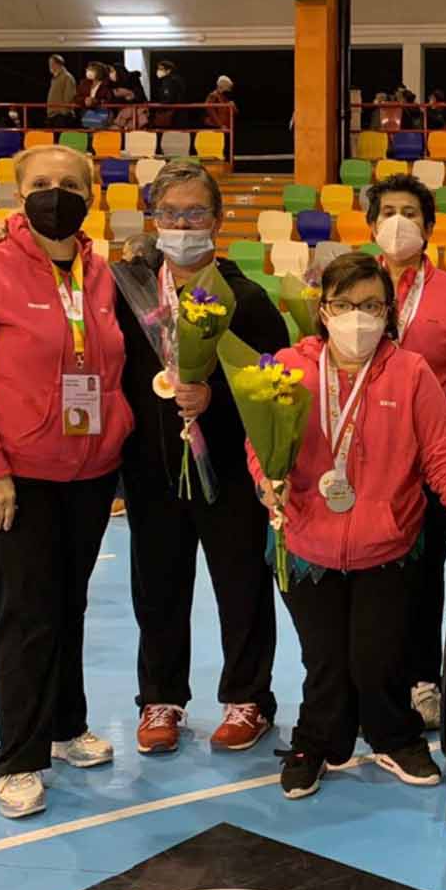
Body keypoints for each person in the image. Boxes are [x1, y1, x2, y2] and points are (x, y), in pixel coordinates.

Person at [0, 144, 134, 819]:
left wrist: (118, 431)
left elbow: (106, 367)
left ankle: (66, 724)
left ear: (92, 194)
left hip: (88, 473)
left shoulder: (101, 273)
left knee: (67, 602)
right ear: (19, 194)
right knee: (25, 612)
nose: (55, 193)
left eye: (69, 184)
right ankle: (18, 756)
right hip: (8, 477)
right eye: (41, 183)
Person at [248, 253, 446, 800]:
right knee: (324, 657)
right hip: (305, 540)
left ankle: (394, 735)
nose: (357, 317)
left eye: (370, 305)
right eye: (344, 304)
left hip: (387, 541)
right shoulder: (289, 366)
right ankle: (317, 741)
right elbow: (259, 442)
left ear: (388, 312)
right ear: (322, 308)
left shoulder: (411, 372)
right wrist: (268, 479)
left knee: (378, 653)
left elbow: (440, 453)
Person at [117, 162, 288, 756]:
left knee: (241, 583)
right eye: (171, 214)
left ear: (216, 220)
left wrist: (219, 398)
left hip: (230, 474)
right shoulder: (130, 295)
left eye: (195, 213)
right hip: (150, 468)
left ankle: (248, 697)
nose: (182, 224)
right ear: (154, 220)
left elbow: (276, 387)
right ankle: (160, 697)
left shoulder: (247, 299)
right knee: (157, 586)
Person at [365, 174, 446, 728]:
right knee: (373, 577)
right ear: (372, 223)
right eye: (389, 211)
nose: (399, 222)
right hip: (367, 462)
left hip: (434, 466)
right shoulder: (354, 284)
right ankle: (371, 682)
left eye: (411, 213)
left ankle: (423, 679)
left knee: (421, 577)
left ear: (427, 226)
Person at [75, 62, 114, 128]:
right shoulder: (84, 83)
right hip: (86, 113)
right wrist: (85, 100)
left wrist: (96, 101)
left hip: (102, 114)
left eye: (90, 70)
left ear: (98, 72)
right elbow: (76, 97)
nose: (87, 71)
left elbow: (110, 99)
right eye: (87, 69)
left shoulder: (107, 84)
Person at [46, 55, 78, 127]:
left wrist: (63, 112)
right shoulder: (55, 78)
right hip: (53, 114)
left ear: (58, 64)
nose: (50, 66)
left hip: (61, 116)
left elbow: (69, 96)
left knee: (60, 137)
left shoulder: (67, 77)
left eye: (51, 63)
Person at [152, 60, 185, 129]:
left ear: (168, 71)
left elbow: (169, 99)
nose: (158, 71)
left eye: (161, 69)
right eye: (158, 69)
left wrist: (159, 107)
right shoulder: (176, 79)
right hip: (177, 115)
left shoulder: (169, 81)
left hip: (171, 115)